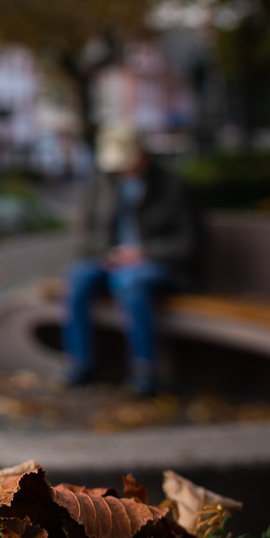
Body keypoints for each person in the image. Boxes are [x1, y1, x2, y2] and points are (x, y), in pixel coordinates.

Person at [65, 123, 201, 396]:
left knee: (131, 282)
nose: (120, 170)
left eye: (125, 162)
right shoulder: (102, 185)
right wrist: (108, 254)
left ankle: (145, 370)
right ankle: (81, 362)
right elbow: (84, 235)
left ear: (143, 155)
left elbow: (190, 244)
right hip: (110, 261)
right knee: (78, 277)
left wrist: (144, 253)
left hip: (162, 266)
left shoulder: (175, 187)